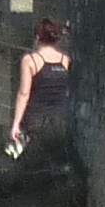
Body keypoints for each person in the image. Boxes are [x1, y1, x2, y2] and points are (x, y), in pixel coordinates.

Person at [6, 19, 71, 158]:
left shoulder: (31, 60)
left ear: (37, 37)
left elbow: (24, 93)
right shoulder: (65, 59)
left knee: (33, 159)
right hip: (61, 119)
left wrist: (16, 124)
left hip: (36, 119)